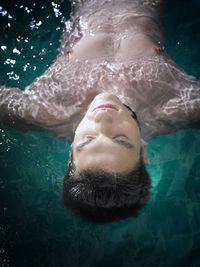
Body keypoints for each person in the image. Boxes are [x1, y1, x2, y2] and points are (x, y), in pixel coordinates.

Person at [0, 0, 200, 223]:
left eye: (87, 139)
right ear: (143, 152)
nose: (102, 120)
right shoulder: (174, 106)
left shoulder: (43, 109)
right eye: (120, 138)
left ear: (71, 152)